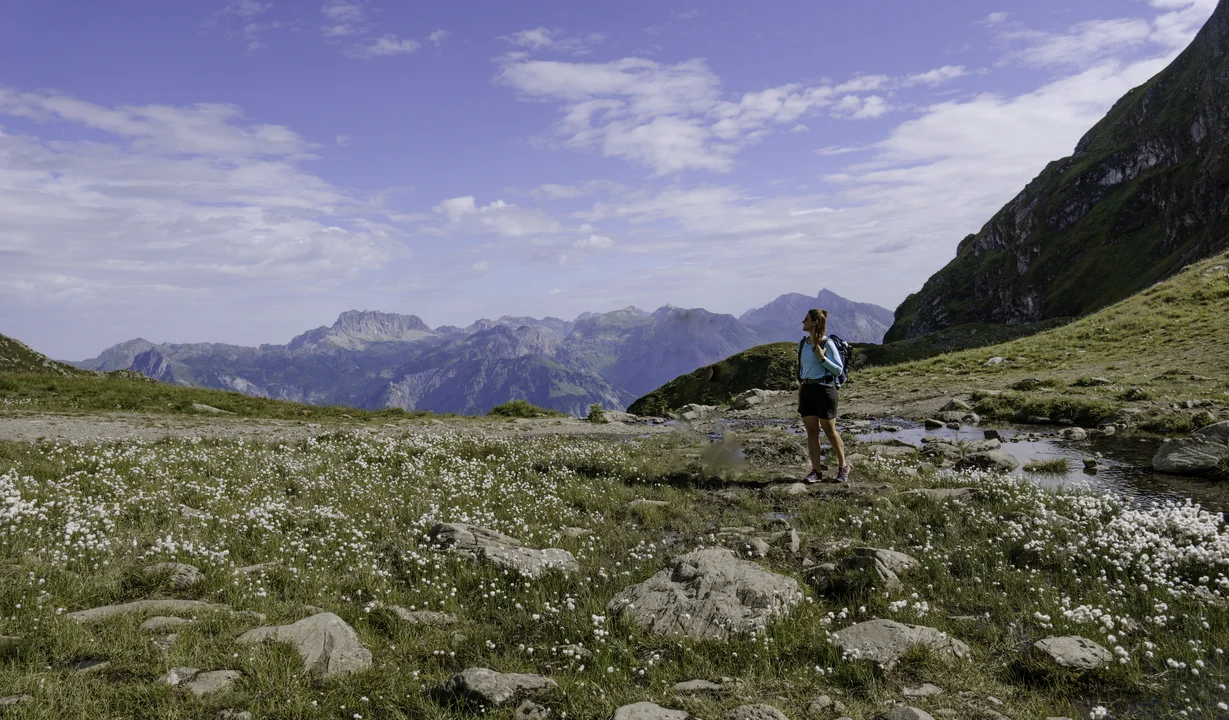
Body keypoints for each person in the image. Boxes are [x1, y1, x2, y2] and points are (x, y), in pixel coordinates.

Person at [798, 308, 849, 483]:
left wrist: (822, 358)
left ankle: (843, 466)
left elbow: (838, 369)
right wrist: (801, 389)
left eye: (806, 319)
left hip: (825, 390)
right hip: (807, 390)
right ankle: (816, 471)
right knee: (812, 432)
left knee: (829, 431)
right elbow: (802, 369)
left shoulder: (827, 344)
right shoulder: (802, 343)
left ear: (814, 323)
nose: (802, 322)